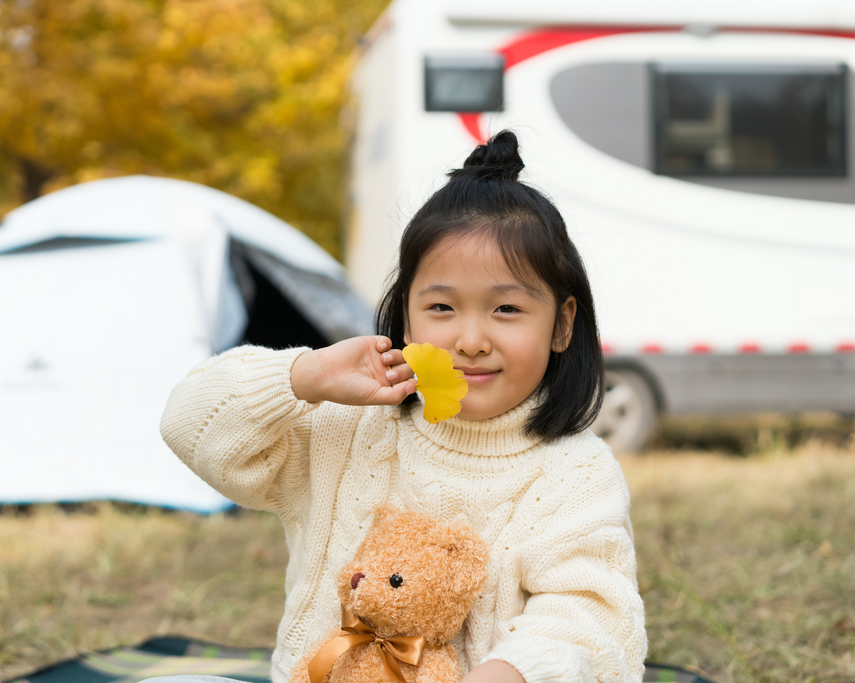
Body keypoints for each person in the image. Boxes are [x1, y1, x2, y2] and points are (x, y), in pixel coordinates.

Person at [154, 131, 646, 683]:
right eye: (441, 307)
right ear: (406, 318)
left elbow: (592, 620)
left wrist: (509, 671)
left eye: (506, 308)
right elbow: (189, 424)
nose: (471, 339)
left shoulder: (575, 472)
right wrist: (304, 376)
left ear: (561, 324)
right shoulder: (347, 428)